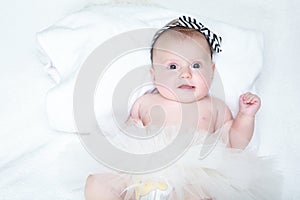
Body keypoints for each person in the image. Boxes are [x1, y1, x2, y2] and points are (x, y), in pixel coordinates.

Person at [85, 16, 281, 200]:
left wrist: (246, 117)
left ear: (211, 72)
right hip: (143, 170)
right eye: (172, 67)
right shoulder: (145, 102)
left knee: (196, 194)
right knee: (98, 183)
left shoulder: (214, 107)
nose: (186, 74)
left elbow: (235, 143)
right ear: (154, 75)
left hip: (194, 175)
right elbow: (125, 136)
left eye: (195, 65)